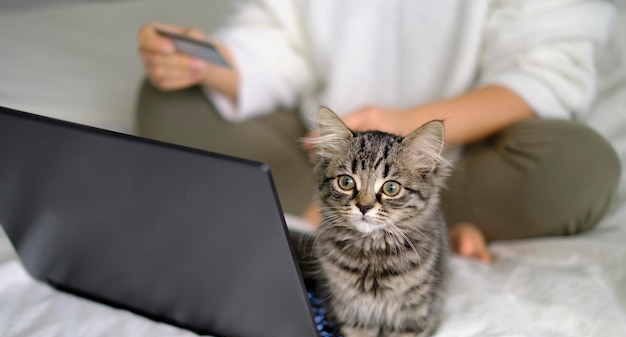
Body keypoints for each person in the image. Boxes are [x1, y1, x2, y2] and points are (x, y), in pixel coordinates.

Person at [136, 1, 621, 261]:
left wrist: (407, 128)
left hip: (455, 158)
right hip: (325, 150)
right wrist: (206, 66)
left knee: (580, 164)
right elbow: (276, 40)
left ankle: (420, 219)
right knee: (167, 102)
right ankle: (345, 204)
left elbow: (549, 69)